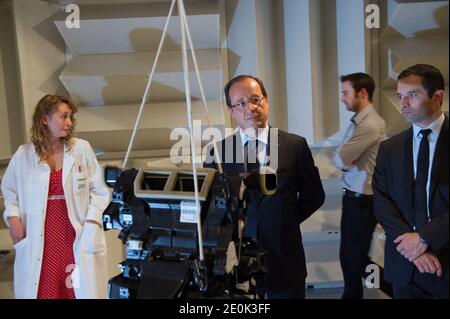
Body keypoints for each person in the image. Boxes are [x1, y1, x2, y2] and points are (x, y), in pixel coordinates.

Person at [204, 75, 325, 299]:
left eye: (255, 99)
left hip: (286, 260)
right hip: (237, 265)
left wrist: (285, 219)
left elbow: (315, 195)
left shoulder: (294, 145)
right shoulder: (217, 154)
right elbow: (211, 209)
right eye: (240, 103)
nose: (249, 108)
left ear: (266, 101)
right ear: (231, 110)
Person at [1, 95, 110, 299]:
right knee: (45, 290)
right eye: (63, 116)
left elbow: (100, 191)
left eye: (70, 117)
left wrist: (92, 221)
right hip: (40, 235)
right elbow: (9, 190)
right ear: (44, 119)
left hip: (74, 233)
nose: (69, 122)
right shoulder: (23, 155)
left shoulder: (81, 149)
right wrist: (13, 218)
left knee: (77, 290)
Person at [373, 64, 448, 299]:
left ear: (437, 97)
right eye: (400, 96)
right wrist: (413, 250)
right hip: (405, 266)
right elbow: (381, 203)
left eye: (412, 95)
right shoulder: (389, 148)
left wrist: (424, 237)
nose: (403, 104)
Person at [332, 73, 386, 299]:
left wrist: (344, 161)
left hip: (363, 200)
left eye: (346, 93)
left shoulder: (370, 125)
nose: (342, 98)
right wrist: (344, 159)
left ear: (362, 93)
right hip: (354, 198)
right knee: (348, 257)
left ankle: (398, 289)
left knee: (357, 260)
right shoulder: (358, 121)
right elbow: (342, 156)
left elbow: (340, 158)